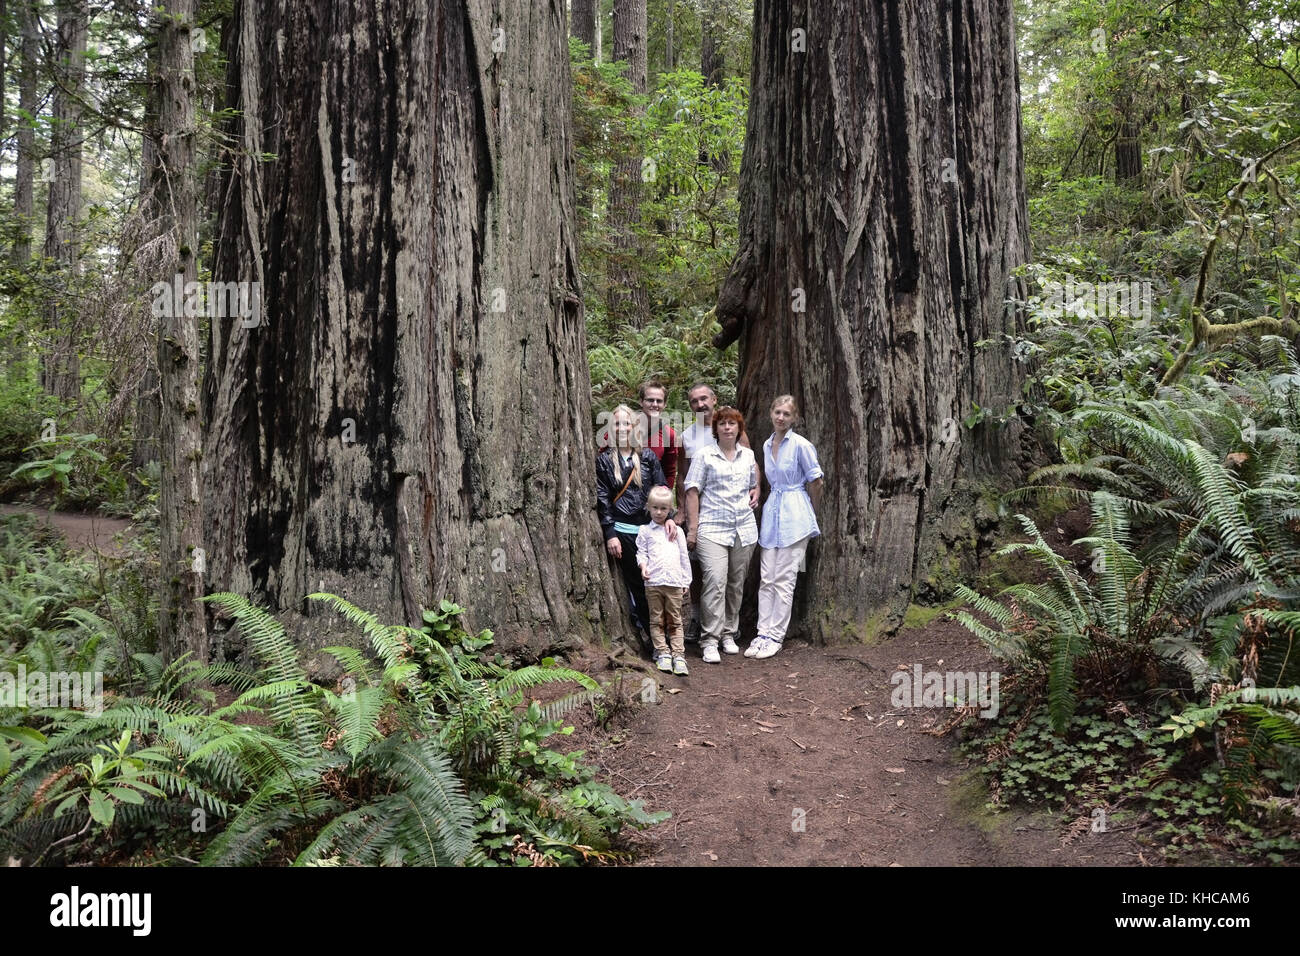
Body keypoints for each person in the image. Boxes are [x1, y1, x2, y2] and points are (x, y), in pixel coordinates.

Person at [675, 383, 751, 643]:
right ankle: (697, 619)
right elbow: (683, 476)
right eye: (694, 401)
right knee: (701, 570)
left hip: (733, 514)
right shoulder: (687, 436)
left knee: (730, 573)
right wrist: (682, 511)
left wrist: (758, 488)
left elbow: (750, 463)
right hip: (701, 514)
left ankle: (729, 627)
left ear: (714, 399)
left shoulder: (732, 429)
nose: (700, 405)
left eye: (704, 398)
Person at [749, 395, 824, 659]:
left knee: (784, 578)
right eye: (777, 412)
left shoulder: (801, 445)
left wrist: (811, 512)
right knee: (767, 576)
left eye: (787, 414)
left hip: (796, 512)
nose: (781, 417)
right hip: (773, 512)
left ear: (795, 418)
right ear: (771, 413)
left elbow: (816, 480)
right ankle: (762, 632)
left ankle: (775, 636)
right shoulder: (767, 444)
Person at [684, 407, 760, 664]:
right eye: (723, 424)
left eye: (732, 424)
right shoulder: (704, 456)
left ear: (739, 428)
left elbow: (753, 480)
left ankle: (729, 633)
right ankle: (709, 640)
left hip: (743, 528)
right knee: (715, 581)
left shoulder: (747, 455)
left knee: (735, 583)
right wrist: (692, 529)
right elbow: (692, 491)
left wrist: (757, 489)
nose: (727, 427)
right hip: (712, 528)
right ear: (715, 429)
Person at [596, 405, 673, 649]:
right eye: (616, 424)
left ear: (634, 427)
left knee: (659, 583)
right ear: (611, 428)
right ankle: (653, 641)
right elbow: (603, 498)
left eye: (626, 423)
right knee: (639, 586)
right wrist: (610, 533)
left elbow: (660, 489)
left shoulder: (648, 457)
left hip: (650, 531)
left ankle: (669, 634)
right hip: (624, 533)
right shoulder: (605, 461)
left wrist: (668, 517)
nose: (621, 428)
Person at [637, 486, 692, 676]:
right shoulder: (645, 531)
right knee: (657, 620)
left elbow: (684, 556)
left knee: (675, 620)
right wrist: (643, 566)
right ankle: (662, 652)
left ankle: (679, 655)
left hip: (674, 582)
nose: (659, 512)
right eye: (655, 508)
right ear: (648, 507)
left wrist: (686, 580)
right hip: (653, 582)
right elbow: (641, 553)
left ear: (670, 509)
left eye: (664, 508)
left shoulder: (677, 532)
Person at [638, 381, 679, 488]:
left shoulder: (668, 434)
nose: (655, 404)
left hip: (651, 496)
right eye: (650, 400)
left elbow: (669, 471)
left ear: (664, 404)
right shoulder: (625, 426)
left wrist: (665, 496)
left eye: (659, 401)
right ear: (641, 401)